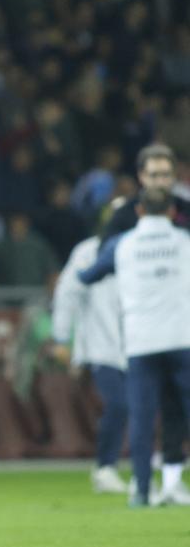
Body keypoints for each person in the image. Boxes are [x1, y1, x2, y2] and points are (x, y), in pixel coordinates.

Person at [79, 188, 190, 507]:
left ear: (139, 212)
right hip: (182, 338)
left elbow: (88, 276)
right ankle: (170, 481)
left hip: (141, 342)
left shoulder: (122, 244)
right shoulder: (184, 242)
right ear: (172, 212)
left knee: (142, 417)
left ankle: (142, 490)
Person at [52, 226, 127, 494]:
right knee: (118, 405)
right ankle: (105, 468)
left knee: (140, 407)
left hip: (138, 343)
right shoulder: (88, 250)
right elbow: (67, 291)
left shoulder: (136, 245)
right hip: (101, 344)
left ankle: (156, 470)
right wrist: (61, 337)